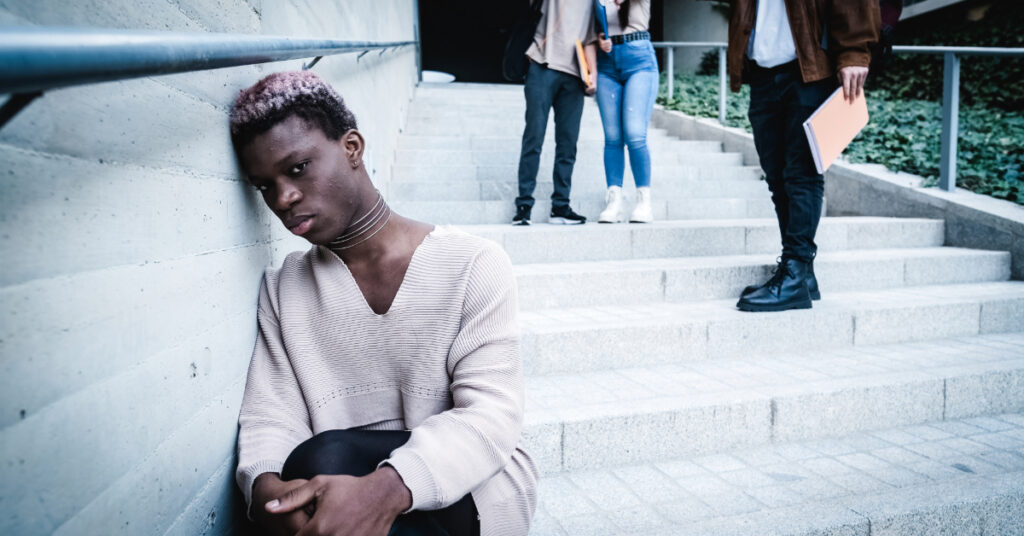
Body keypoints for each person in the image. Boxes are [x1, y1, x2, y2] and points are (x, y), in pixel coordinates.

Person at [229, 71, 538, 536]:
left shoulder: (473, 263)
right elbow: (271, 414)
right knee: (316, 470)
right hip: (337, 485)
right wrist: (269, 494)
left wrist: (384, 491)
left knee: (325, 460)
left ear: (352, 147)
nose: (284, 198)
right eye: (264, 186)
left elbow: (491, 415)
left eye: (297, 169)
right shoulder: (285, 287)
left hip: (473, 485)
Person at [730, 0, 880, 312]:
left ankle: (795, 271)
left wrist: (853, 50)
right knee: (777, 176)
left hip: (808, 69)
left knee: (802, 173)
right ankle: (803, 275)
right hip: (762, 72)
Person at [513, 0, 598, 226]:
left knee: (568, 143)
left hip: (574, 74)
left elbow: (589, 39)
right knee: (534, 136)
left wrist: (593, 75)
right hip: (542, 65)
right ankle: (523, 205)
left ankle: (560, 206)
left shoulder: (593, 3)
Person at [594, 0, 658, 224]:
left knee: (634, 134)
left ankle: (644, 201)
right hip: (606, 64)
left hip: (639, 58)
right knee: (612, 137)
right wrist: (598, 39)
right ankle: (614, 201)